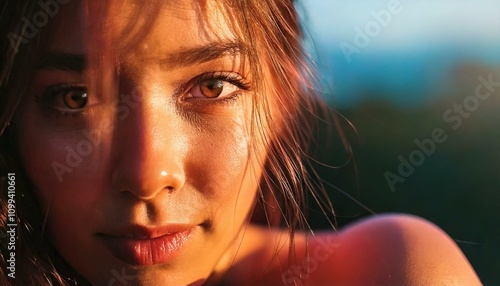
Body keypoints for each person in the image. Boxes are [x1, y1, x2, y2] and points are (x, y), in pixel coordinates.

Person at [0, 0, 481, 285]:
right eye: (74, 97)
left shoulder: (385, 271)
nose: (147, 174)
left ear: (283, 98)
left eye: (212, 86)